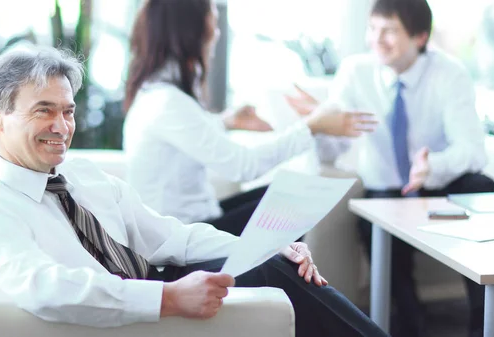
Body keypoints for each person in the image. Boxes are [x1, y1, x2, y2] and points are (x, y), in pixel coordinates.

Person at [0, 45, 389, 337]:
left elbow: (171, 237)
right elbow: (45, 288)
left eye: (68, 112)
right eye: (43, 111)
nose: (61, 127)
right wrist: (167, 298)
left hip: (157, 283)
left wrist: (267, 246)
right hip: (135, 307)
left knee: (278, 264)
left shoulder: (84, 175)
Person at [285, 1, 494, 337]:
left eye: (388, 31)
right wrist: (317, 125)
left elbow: (472, 150)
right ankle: (410, 322)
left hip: (439, 182)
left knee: (481, 185)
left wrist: (432, 166)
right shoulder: (356, 72)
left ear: (419, 36)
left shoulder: (450, 73)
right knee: (372, 219)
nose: (376, 39)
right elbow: (333, 152)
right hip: (386, 190)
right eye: (372, 29)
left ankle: (485, 320)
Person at [122, 0, 376, 236]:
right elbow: (243, 165)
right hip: (183, 238)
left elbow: (186, 134)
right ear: (192, 30)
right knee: (294, 205)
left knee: (290, 198)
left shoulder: (158, 95)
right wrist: (311, 126)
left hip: (195, 222)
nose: (217, 33)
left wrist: (226, 121)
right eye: (213, 19)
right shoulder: (168, 102)